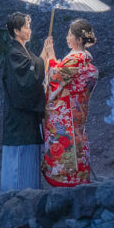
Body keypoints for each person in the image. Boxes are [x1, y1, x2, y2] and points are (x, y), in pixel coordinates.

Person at [41, 18, 99, 187]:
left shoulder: (78, 57)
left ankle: (67, 179)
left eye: (70, 35)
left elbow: (56, 77)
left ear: (79, 40)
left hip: (66, 112)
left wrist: (50, 53)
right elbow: (63, 74)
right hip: (76, 110)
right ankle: (79, 176)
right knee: (77, 141)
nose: (67, 38)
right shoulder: (82, 59)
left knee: (66, 141)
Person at [1, 12, 55, 190]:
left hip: (27, 119)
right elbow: (27, 80)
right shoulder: (13, 54)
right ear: (16, 31)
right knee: (18, 167)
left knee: (28, 165)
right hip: (19, 119)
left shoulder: (23, 52)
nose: (30, 30)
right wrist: (44, 57)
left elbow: (34, 68)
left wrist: (45, 53)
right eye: (26, 27)